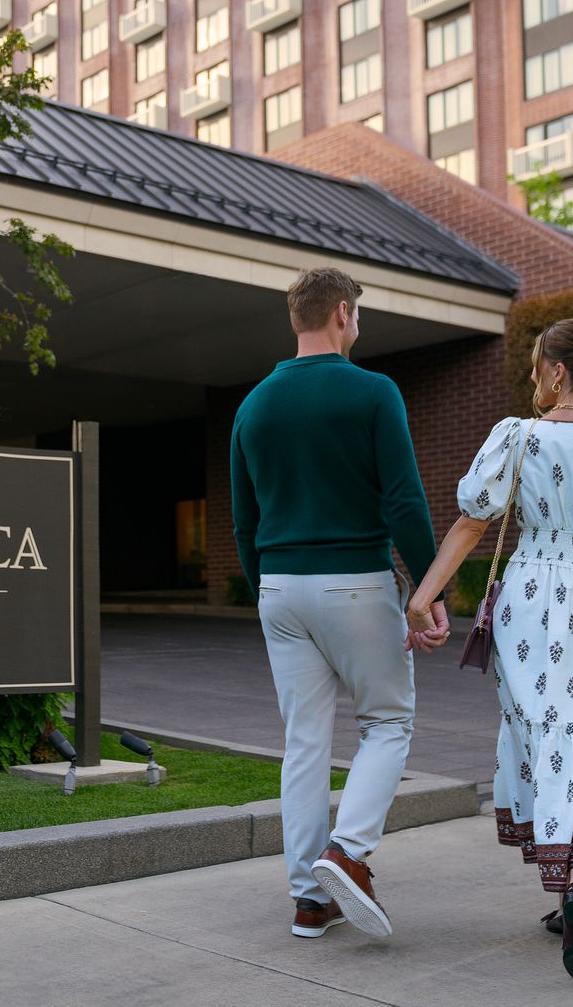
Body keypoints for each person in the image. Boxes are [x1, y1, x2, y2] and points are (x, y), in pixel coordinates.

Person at [407, 316, 573, 983]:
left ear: (557, 373)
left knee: (541, 736)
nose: (532, 378)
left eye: (535, 367)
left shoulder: (518, 438)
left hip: (531, 600)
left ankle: (567, 884)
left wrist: (425, 594)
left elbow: (474, 524)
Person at [230, 267, 451, 941]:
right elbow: (403, 500)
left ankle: (309, 898)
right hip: (355, 580)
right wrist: (432, 590)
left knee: (303, 743)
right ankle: (346, 854)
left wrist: (265, 587)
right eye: (359, 317)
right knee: (386, 722)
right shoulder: (374, 392)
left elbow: (244, 523)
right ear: (343, 313)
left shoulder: (253, 406)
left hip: (279, 587)